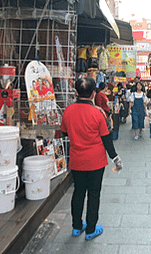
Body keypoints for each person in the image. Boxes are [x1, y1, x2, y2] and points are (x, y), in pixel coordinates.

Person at [60, 77, 123, 241]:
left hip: (76, 160)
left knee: (78, 192)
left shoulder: (68, 111)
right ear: (93, 93)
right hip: (95, 161)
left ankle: (76, 226)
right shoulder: (98, 113)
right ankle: (91, 229)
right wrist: (115, 158)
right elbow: (106, 139)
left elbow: (64, 132)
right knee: (94, 194)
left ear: (75, 92)